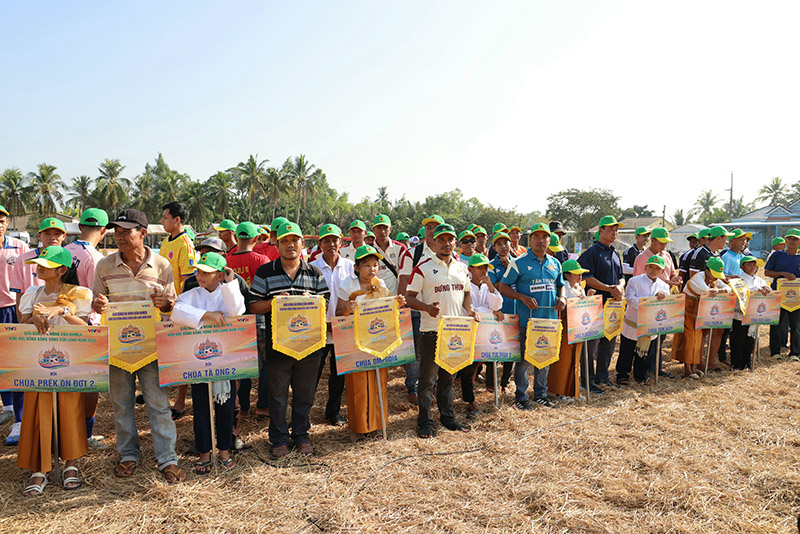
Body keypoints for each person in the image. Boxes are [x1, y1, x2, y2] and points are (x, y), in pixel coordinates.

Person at [92, 209, 185, 483]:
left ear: (142, 233)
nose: (119, 236)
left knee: (158, 404)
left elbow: (172, 306)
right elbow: (97, 303)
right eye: (116, 232)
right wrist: (98, 305)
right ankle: (128, 455)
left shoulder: (162, 265)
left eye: (125, 231)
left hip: (152, 347)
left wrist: (166, 304)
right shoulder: (105, 266)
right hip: (118, 348)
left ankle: (167, 458)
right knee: (121, 405)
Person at [16, 246, 92, 496]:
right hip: (38, 363)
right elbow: (21, 325)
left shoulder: (79, 293)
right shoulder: (32, 293)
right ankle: (39, 468)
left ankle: (70, 464)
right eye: (39, 263)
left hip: (70, 362)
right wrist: (33, 321)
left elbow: (85, 327)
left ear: (61, 270)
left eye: (46, 264)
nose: (39, 267)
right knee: (38, 409)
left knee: (70, 409)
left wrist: (62, 310)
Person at [249, 222, 329, 457]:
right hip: (278, 344)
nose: (290, 245)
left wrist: (311, 301)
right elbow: (254, 305)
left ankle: (301, 436)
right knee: (277, 394)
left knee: (305, 394)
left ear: (302, 244)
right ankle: (278, 439)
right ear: (276, 243)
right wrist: (275, 302)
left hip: (310, 343)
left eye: (294, 240)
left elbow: (325, 304)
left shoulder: (314, 272)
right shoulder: (266, 271)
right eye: (284, 240)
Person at [171, 252, 245, 474]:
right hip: (199, 362)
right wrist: (206, 315)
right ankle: (204, 452)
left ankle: (223, 450)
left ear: (220, 275)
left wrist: (230, 283)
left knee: (225, 408)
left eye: (206, 272)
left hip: (225, 360)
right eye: (199, 271)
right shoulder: (192, 294)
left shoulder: (229, 291)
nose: (200, 275)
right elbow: (177, 311)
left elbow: (237, 311)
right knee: (201, 408)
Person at [406, 223, 477, 438]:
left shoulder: (461, 268)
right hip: (431, 331)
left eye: (450, 239)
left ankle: (447, 417)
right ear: (434, 242)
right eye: (441, 240)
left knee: (448, 377)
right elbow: (409, 297)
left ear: (455, 242)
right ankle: (425, 421)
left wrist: (471, 309)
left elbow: (466, 293)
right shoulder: (423, 267)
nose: (446, 243)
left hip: (454, 331)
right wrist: (426, 308)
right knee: (428, 380)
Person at [7, 217, 66, 446]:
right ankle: (21, 422)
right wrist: (25, 321)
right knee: (27, 374)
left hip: (62, 330)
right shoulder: (23, 259)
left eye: (57, 234)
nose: (53, 237)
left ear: (63, 237)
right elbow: (20, 296)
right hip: (32, 325)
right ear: (39, 236)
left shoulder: (66, 259)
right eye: (47, 233)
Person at [336, 245, 405, 440]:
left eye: (375, 265)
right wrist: (347, 309)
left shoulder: (381, 284)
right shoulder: (347, 285)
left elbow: (386, 308)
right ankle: (359, 428)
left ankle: (376, 425)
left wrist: (397, 303)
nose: (372, 269)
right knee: (358, 384)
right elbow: (338, 314)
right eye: (367, 265)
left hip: (378, 339)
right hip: (355, 341)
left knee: (377, 382)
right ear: (357, 267)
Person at [498, 222, 566, 409]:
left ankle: (541, 395)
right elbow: (503, 287)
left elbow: (561, 284)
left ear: (549, 240)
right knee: (523, 361)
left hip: (549, 320)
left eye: (544, 237)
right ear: (530, 239)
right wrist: (521, 297)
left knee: (544, 357)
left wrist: (562, 297)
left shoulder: (555, 263)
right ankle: (521, 397)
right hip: (526, 321)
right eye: (536, 237)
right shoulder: (518, 262)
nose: (541, 240)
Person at [65, 208, 109, 450]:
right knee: (91, 381)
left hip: (62, 320)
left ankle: (67, 431)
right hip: (86, 323)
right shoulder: (95, 258)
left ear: (80, 227)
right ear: (103, 231)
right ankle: (85, 433)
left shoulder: (63, 251)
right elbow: (98, 297)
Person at [397, 214, 444, 405]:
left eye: (436, 227)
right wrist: (402, 308)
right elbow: (404, 281)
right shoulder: (412, 253)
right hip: (416, 312)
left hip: (440, 313)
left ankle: (432, 387)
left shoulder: (450, 254)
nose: (432, 230)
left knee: (436, 351)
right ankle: (413, 388)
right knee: (416, 352)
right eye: (429, 227)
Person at [310, 224, 352, 426]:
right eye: (326, 241)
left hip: (343, 330)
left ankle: (333, 412)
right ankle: (303, 415)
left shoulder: (351, 267)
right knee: (311, 374)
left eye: (334, 240)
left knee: (338, 375)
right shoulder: (312, 267)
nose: (331, 244)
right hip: (319, 330)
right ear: (320, 244)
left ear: (341, 242)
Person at [160, 201, 199, 420]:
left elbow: (187, 280)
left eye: (166, 217)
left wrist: (180, 308)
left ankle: (181, 401)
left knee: (181, 355)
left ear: (177, 220)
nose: (163, 221)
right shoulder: (166, 241)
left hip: (177, 308)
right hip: (163, 307)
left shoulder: (186, 244)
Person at [577, 216, 625, 391]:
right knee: (591, 345)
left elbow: (621, 276)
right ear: (601, 231)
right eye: (611, 229)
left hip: (613, 306)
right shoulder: (591, 253)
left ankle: (602, 376)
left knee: (609, 341)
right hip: (595, 306)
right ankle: (587, 381)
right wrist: (608, 288)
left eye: (616, 230)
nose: (614, 233)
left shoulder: (615, 253)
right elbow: (586, 278)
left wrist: (619, 287)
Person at [616, 255, 671, 385]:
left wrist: (662, 299)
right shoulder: (634, 281)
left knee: (645, 352)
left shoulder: (664, 286)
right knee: (627, 350)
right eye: (651, 267)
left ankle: (641, 375)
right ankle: (622, 374)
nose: (653, 270)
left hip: (650, 325)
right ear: (646, 267)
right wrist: (648, 304)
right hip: (633, 323)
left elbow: (666, 303)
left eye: (657, 268)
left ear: (662, 271)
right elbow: (630, 298)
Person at [672, 257, 730, 379]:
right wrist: (719, 290)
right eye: (714, 274)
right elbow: (706, 291)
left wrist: (720, 289)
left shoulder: (712, 279)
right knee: (689, 338)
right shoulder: (698, 278)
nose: (715, 278)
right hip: (687, 308)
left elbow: (727, 288)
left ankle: (695, 366)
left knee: (698, 338)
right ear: (707, 271)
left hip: (698, 309)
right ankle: (687, 369)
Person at [0, 205, 30, 433]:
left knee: (15, 361)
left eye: (2, 220)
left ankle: (17, 416)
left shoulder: (20, 247)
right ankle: (7, 406)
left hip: (11, 308)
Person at [549, 259, 594, 401]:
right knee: (564, 359)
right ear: (567, 275)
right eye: (576, 274)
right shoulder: (565, 289)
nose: (580, 276)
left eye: (581, 273)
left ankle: (572, 389)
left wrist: (588, 298)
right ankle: (560, 391)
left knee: (575, 359)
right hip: (566, 328)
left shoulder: (579, 288)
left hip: (578, 328)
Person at [486, 231, 515, 393]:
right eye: (499, 244)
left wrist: (510, 265)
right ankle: (490, 383)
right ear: (495, 247)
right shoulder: (491, 265)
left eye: (506, 243)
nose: (503, 246)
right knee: (494, 347)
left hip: (515, 311)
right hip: (498, 313)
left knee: (511, 348)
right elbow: (496, 286)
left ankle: (505, 382)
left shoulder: (518, 263)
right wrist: (507, 268)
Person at [765, 228, 800, 360]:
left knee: (796, 325)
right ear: (785, 240)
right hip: (778, 295)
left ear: (799, 242)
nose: (792, 241)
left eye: (795, 239)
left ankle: (795, 353)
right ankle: (775, 352)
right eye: (790, 238)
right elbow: (767, 272)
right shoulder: (777, 255)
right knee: (776, 324)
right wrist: (782, 274)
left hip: (796, 298)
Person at [731, 256, 770, 369]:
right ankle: (737, 364)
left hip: (755, 315)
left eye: (755, 264)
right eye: (749, 264)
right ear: (742, 266)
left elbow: (767, 291)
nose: (753, 267)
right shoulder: (738, 279)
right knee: (738, 339)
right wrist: (756, 290)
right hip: (740, 315)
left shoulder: (759, 280)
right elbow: (741, 292)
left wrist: (767, 290)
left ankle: (747, 362)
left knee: (750, 339)